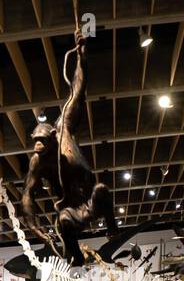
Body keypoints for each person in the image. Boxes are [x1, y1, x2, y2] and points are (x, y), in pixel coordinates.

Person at [20, 26, 117, 266]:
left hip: (91, 203)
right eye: (36, 141)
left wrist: (82, 55)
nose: (39, 146)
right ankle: (75, 256)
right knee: (63, 219)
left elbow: (77, 91)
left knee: (102, 189)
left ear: (52, 136)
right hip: (71, 212)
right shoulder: (38, 161)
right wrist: (35, 228)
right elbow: (27, 197)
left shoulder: (63, 129)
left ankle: (113, 227)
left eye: (43, 141)